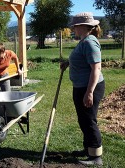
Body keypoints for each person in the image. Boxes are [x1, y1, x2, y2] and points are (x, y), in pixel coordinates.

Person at [60, 12, 105, 166]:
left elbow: (96, 69)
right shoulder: (84, 41)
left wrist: (90, 92)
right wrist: (68, 63)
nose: (73, 28)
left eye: (75, 26)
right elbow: (81, 60)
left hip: (89, 87)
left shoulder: (90, 42)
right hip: (81, 86)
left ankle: (96, 157)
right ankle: (88, 149)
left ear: (83, 26)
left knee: (88, 120)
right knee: (83, 119)